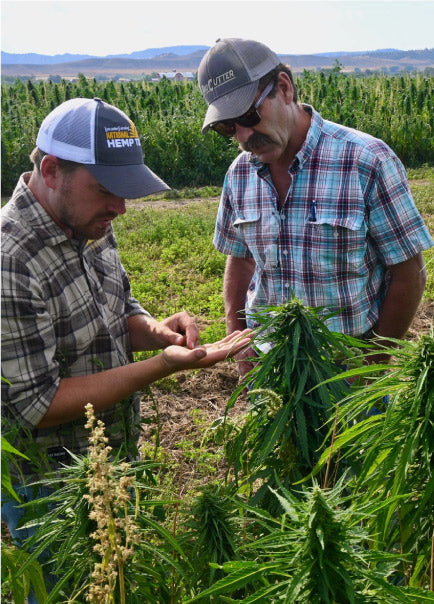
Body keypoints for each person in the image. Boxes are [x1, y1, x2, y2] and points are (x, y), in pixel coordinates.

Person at [1, 97, 251, 597]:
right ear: (52, 170)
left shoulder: (89, 221)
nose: (120, 207)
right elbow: (36, 405)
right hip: (51, 491)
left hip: (114, 460)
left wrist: (158, 331)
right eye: (107, 190)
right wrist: (160, 366)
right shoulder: (11, 261)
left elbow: (116, 310)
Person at [197, 38, 433, 378]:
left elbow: (409, 271)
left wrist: (372, 364)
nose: (244, 135)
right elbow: (241, 259)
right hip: (271, 367)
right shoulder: (239, 174)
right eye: (227, 127)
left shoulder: (365, 160)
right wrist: (242, 347)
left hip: (350, 366)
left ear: (284, 88)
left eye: (250, 115)